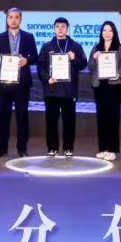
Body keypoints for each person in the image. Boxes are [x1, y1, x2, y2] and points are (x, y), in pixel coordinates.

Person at [0, 7, 39, 158]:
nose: (13, 20)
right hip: (4, 83)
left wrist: (27, 60)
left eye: (16, 17)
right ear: (7, 19)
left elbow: (35, 57)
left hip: (22, 83)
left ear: (21, 19)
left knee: (22, 116)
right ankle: (2, 148)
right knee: (3, 116)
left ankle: (22, 148)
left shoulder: (28, 37)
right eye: (10, 17)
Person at [36, 17, 88, 157]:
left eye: (63, 26)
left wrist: (74, 58)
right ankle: (52, 148)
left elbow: (83, 64)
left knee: (69, 121)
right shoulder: (46, 47)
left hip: (69, 91)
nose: (60, 29)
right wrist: (47, 78)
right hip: (51, 90)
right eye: (57, 26)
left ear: (67, 29)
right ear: (54, 29)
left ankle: (68, 148)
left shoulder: (75, 46)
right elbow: (40, 67)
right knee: (51, 121)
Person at [88, 20, 121, 161]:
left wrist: (119, 74)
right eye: (104, 30)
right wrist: (94, 58)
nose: (107, 33)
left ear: (114, 32)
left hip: (114, 86)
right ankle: (103, 148)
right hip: (100, 86)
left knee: (113, 117)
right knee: (101, 117)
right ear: (101, 33)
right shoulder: (96, 48)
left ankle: (112, 149)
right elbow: (90, 66)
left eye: (110, 30)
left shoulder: (120, 48)